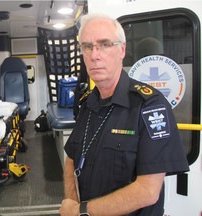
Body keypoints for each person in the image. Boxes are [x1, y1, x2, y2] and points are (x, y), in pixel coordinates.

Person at [59, 13, 189, 216]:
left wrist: (81, 212)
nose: (94, 55)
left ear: (122, 50)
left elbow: (147, 191)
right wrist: (71, 200)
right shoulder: (87, 104)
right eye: (87, 46)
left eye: (104, 44)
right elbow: (71, 159)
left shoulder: (149, 106)